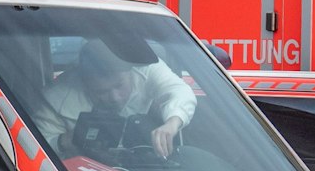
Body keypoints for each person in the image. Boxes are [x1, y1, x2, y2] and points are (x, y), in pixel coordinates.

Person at [32, 39, 196, 159]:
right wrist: (66, 141)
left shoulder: (146, 68)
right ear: (84, 83)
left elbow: (179, 91)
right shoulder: (55, 99)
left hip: (148, 168)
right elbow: (34, 152)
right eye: (101, 92)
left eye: (119, 86)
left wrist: (172, 123)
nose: (115, 97)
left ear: (130, 72)